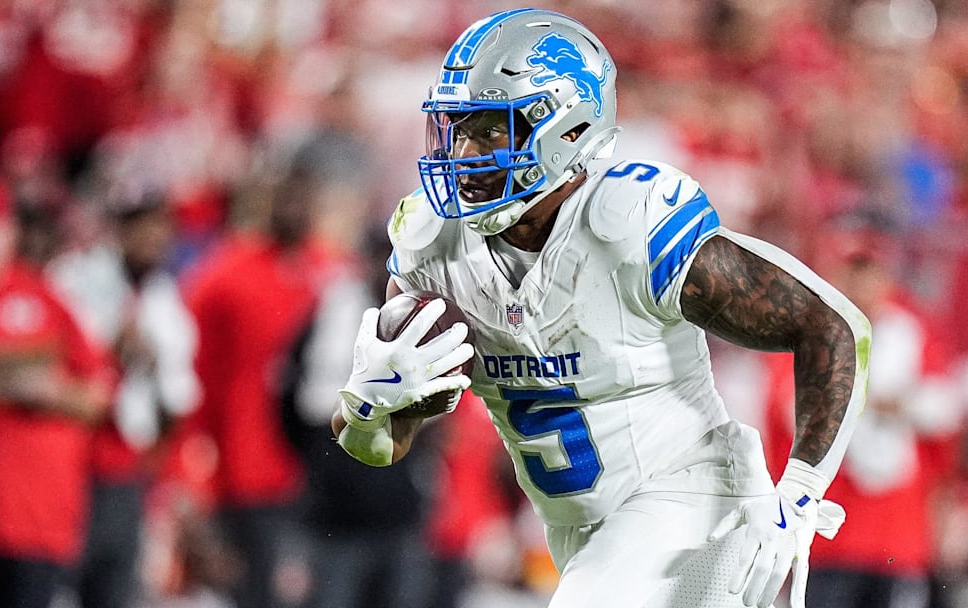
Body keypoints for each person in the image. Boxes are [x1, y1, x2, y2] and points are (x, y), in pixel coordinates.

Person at [331, 8, 873, 608]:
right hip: (584, 537)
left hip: (694, 504)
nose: (465, 153)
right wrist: (369, 401)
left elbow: (831, 326)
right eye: (457, 129)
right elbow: (378, 448)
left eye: (491, 130)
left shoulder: (628, 224)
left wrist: (800, 489)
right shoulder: (433, 248)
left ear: (568, 130)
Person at [182, 141, 362, 608]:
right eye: (285, 194)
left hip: (324, 473)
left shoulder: (337, 273)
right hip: (249, 471)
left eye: (304, 195)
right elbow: (194, 377)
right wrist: (197, 473)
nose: (295, 207)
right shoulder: (223, 276)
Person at [760, 208, 963, 608]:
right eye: (852, 269)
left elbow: (946, 411)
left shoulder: (915, 329)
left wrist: (880, 402)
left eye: (870, 270)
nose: (862, 282)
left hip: (900, 537)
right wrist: (883, 400)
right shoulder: (807, 331)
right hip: (827, 536)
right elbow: (789, 410)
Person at [0, 168, 113, 608]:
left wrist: (52, 394)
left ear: (6, 230)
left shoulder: (46, 300)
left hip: (31, 522)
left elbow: (100, 396)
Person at [48, 192, 202, 608]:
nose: (156, 239)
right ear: (119, 230)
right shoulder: (72, 280)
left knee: (116, 590)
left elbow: (178, 399)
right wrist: (110, 352)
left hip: (127, 474)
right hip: (70, 469)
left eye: (163, 229)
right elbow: (52, 365)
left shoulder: (165, 299)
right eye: (145, 227)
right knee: (59, 591)